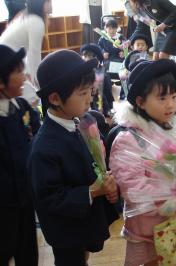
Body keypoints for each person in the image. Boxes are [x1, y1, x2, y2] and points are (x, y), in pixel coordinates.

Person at [28, 50, 119, 266]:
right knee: (70, 260)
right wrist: (94, 190)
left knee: (82, 256)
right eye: (82, 94)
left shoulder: (80, 121)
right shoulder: (43, 148)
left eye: (91, 91)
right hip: (66, 229)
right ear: (55, 98)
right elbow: (49, 198)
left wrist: (106, 183)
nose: (90, 99)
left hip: (83, 220)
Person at [109, 59, 176, 266]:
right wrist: (174, 197)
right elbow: (133, 189)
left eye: (174, 96)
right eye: (161, 98)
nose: (170, 104)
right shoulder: (128, 141)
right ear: (140, 102)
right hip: (148, 228)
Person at [0, 45, 40, 266]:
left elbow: (37, 135)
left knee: (27, 252)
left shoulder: (22, 107)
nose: (24, 76)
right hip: (2, 206)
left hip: (25, 199)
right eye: (17, 72)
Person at [0, 0, 52, 105]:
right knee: (30, 98)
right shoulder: (36, 21)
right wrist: (41, 86)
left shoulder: (27, 16)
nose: (51, 5)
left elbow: (31, 57)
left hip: (6, 60)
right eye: (49, 1)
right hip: (7, 63)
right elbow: (34, 57)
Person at [80, 43, 114, 118]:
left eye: (89, 56)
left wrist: (109, 109)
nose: (86, 58)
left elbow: (107, 92)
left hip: (100, 101)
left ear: (97, 58)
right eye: (84, 55)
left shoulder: (102, 72)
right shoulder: (84, 70)